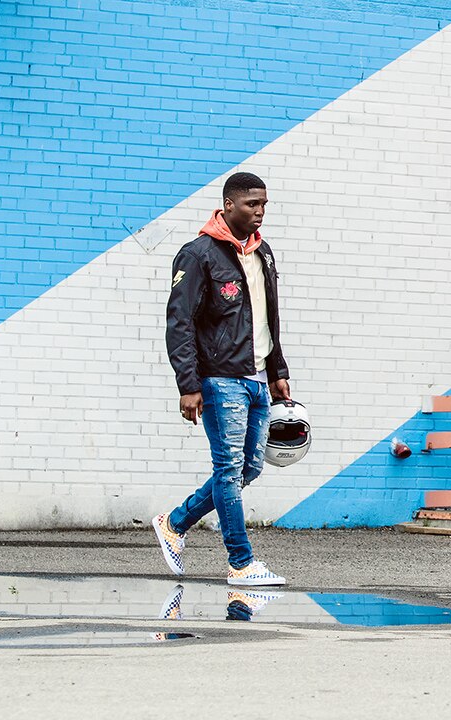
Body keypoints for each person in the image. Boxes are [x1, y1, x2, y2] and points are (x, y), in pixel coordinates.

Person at [155, 171, 291, 586]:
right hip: (220, 379)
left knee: (249, 467)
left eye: (264, 204)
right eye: (252, 204)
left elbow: (268, 317)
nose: (260, 212)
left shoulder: (263, 253)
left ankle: (175, 523)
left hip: (257, 378)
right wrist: (189, 385)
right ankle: (241, 563)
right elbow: (179, 323)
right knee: (229, 469)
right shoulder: (198, 255)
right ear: (228, 205)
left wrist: (277, 371)